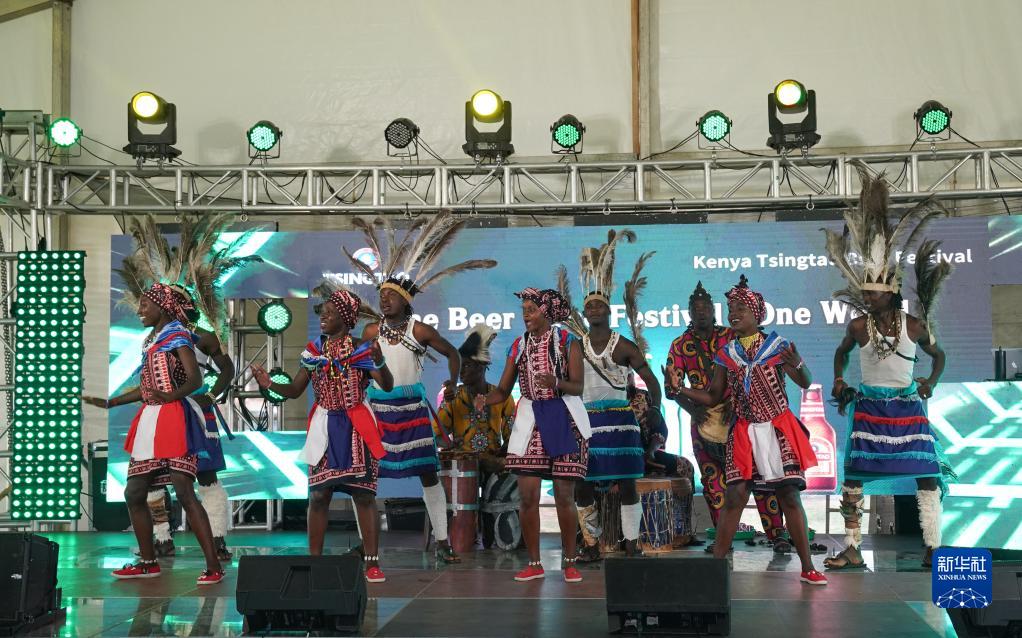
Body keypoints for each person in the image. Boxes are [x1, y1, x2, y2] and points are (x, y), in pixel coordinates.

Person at [346, 211, 497, 564]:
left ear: (406, 301)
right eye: (381, 295)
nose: (384, 300)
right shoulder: (371, 332)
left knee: (428, 474)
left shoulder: (420, 330)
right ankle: (367, 544)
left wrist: (453, 382)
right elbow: (358, 365)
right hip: (378, 410)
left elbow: (452, 354)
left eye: (391, 295)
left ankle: (443, 541)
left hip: (411, 410)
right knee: (365, 476)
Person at [822, 171, 954, 570]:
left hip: (907, 409)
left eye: (872, 292)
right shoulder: (858, 327)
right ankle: (852, 547)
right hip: (870, 409)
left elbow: (939, 356)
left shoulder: (913, 325)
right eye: (864, 291)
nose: (865, 296)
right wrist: (839, 379)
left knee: (927, 475)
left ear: (890, 293)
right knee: (854, 478)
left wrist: (931, 382)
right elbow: (840, 354)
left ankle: (933, 546)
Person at [115, 214, 261, 562]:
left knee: (205, 477)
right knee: (150, 479)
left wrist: (211, 394)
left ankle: (217, 540)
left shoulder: (203, 337)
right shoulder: (155, 340)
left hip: (195, 412)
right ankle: (162, 539)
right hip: (161, 412)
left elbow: (227, 369)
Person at [673, 275, 827, 585]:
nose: (733, 313)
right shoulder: (727, 353)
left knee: (788, 496)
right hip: (743, 432)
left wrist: (798, 364)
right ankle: (715, 569)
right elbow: (714, 396)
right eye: (730, 309)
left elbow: (805, 381)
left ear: (757, 314)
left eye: (740, 309)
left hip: (777, 428)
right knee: (735, 497)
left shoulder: (777, 346)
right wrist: (681, 389)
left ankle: (808, 567)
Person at [84, 283, 225, 585]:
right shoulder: (151, 341)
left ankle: (214, 566)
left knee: (184, 491)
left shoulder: (177, 335)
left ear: (162, 306)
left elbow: (195, 379)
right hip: (151, 417)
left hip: (174, 416)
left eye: (145, 305)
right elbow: (147, 388)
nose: (139, 311)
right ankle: (148, 562)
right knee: (134, 492)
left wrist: (171, 396)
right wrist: (112, 402)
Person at [252, 288, 394, 583]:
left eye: (330, 313)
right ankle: (314, 561)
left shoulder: (361, 348)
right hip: (324, 427)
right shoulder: (314, 351)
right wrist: (269, 384)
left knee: (363, 494)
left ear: (345, 317)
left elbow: (388, 385)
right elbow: (294, 390)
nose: (323, 317)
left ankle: (371, 562)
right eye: (322, 313)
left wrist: (379, 362)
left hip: (356, 425)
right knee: (318, 495)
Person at [475, 288, 590, 583]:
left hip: (563, 417)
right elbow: (503, 390)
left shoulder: (567, 342)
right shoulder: (519, 345)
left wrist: (556, 382)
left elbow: (578, 386)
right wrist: (485, 400)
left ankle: (570, 562)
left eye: (531, 309)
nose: (526, 315)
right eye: (523, 310)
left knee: (564, 496)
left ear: (546, 312)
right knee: (527, 497)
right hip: (531, 419)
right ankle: (534, 563)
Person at [665, 281, 787, 552]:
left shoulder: (731, 336)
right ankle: (724, 540)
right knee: (714, 483)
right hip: (703, 422)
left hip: (740, 418)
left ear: (713, 310)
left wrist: (739, 403)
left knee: (761, 478)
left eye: (705, 307)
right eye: (695, 308)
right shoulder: (679, 345)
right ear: (688, 312)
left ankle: (777, 534)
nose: (701, 312)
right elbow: (671, 389)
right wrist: (692, 409)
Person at [565, 230, 664, 560]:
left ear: (608, 311)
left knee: (628, 484)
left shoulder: (623, 345)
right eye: (589, 306)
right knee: (583, 484)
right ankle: (591, 544)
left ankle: (632, 543)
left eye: (599, 305)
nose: (594, 309)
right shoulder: (575, 347)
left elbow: (650, 379)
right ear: (584, 312)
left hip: (620, 423)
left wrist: (654, 408)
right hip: (587, 422)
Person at [435, 325, 515, 475]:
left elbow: (512, 438)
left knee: (513, 474)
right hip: (463, 467)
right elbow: (437, 435)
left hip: (494, 467)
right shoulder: (453, 397)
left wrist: (501, 456)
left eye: (466, 365)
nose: (461, 371)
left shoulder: (502, 397)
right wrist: (451, 446)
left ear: (482, 366)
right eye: (459, 365)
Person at [628, 385, 697, 547]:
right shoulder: (605, 397)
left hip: (647, 454)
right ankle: (627, 536)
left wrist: (651, 451)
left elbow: (659, 427)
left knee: (685, 467)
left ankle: (681, 530)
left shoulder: (642, 396)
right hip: (619, 459)